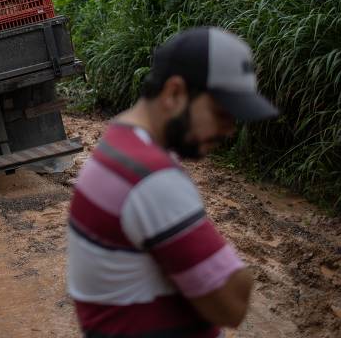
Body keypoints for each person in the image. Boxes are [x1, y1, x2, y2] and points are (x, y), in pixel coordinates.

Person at [67, 27, 278, 338]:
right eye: (222, 113)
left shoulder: (118, 143)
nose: (229, 130)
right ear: (175, 93)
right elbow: (232, 304)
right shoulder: (150, 177)